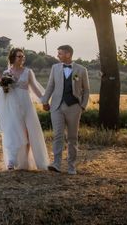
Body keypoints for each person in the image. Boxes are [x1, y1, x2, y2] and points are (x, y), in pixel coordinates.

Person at [0, 48, 49, 171]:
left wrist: (44, 100)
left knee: (29, 132)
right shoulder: (7, 72)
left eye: (23, 56)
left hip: (26, 105)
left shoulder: (28, 72)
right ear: (13, 57)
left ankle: (24, 162)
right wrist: (2, 84)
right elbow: (5, 92)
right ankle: (11, 161)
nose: (21, 58)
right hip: (12, 105)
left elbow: (35, 88)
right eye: (19, 56)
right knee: (13, 131)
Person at [41, 45, 90, 175]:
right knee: (58, 135)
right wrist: (45, 101)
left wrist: (82, 106)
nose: (58, 56)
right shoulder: (55, 68)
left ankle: (71, 166)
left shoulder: (81, 70)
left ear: (68, 54)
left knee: (72, 137)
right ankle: (56, 163)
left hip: (74, 107)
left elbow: (86, 90)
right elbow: (50, 85)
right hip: (56, 106)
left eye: (60, 53)